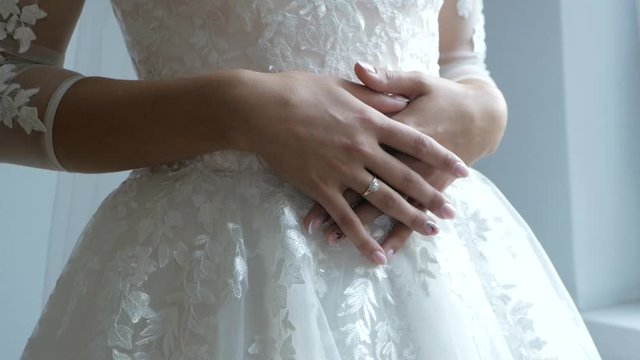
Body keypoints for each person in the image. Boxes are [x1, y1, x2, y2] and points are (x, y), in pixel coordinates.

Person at [0, 0, 601, 358]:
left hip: (444, 265)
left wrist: (481, 114)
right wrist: (236, 105)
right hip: (210, 271)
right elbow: (9, 81)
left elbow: (462, 62)